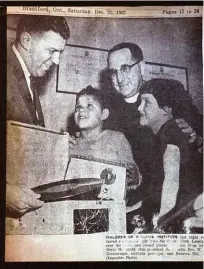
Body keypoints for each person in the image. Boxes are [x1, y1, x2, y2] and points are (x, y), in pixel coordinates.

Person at [6, 15, 70, 218]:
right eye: (51, 51)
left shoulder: (29, 77)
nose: (56, 61)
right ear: (26, 41)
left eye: (60, 53)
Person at [106, 43, 203, 174]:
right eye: (113, 72)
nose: (119, 78)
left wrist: (196, 137)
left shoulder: (170, 91)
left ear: (141, 67)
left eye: (125, 68)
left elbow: (199, 126)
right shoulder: (105, 109)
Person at [134, 78, 202, 233]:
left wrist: (161, 224)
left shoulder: (170, 132)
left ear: (166, 109)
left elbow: (171, 181)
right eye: (140, 101)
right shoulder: (166, 132)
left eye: (146, 102)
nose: (139, 107)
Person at [70, 85, 142, 199]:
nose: (81, 110)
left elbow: (132, 172)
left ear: (104, 114)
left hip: (110, 205)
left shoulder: (117, 139)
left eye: (89, 106)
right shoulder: (71, 143)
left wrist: (135, 177)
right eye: (78, 107)